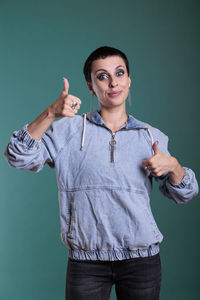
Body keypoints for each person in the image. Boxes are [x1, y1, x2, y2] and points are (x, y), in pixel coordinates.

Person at [4, 46, 199, 300]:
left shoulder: (150, 136)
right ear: (90, 85)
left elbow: (186, 193)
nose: (113, 82)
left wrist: (173, 166)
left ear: (129, 79)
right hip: (87, 264)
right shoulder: (68, 131)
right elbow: (17, 155)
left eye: (119, 73)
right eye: (102, 76)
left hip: (141, 262)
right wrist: (51, 112)